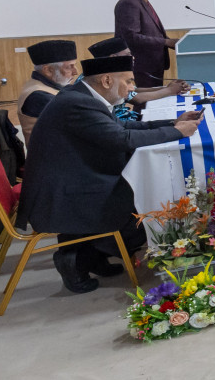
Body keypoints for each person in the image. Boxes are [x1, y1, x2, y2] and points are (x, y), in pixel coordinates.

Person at [18, 54, 202, 293]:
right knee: (148, 200)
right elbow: (122, 139)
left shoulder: (83, 96)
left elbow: (122, 127)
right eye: (128, 81)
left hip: (74, 174)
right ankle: (75, 258)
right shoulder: (78, 103)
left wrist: (172, 124)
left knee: (144, 187)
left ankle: (94, 254)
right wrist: (178, 133)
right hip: (63, 190)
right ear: (106, 81)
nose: (133, 88)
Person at [82, 37, 187, 122]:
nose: (133, 58)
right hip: (118, 123)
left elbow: (134, 90)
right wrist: (170, 90)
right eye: (128, 55)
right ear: (113, 57)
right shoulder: (103, 77)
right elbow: (137, 98)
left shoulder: (108, 71)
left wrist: (167, 88)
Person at [114, 0, 175, 88]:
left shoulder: (143, 2)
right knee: (146, 99)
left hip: (152, 65)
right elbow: (131, 36)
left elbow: (152, 33)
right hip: (140, 66)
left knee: (156, 96)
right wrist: (166, 42)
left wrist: (174, 43)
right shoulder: (130, 3)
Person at [17, 40, 79, 142]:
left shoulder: (43, 85)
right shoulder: (38, 96)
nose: (75, 72)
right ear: (48, 70)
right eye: (69, 67)